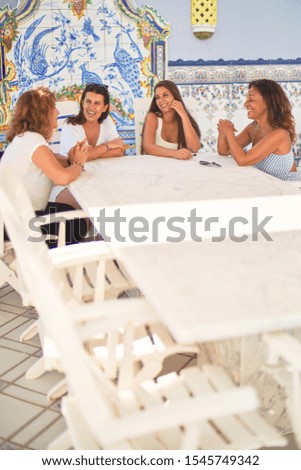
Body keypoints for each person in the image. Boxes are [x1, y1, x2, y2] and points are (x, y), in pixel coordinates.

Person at [1, 87, 88, 247]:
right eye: (53, 107)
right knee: (77, 223)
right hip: (19, 224)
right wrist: (78, 163)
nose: (57, 111)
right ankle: (57, 265)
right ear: (42, 113)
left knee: (70, 209)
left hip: (10, 219)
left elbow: (55, 160)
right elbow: (63, 178)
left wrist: (72, 159)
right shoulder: (34, 141)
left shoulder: (25, 138)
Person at [55, 83, 125, 208]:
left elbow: (119, 151)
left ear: (104, 107)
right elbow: (77, 157)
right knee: (88, 206)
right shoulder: (71, 126)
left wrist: (90, 153)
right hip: (71, 180)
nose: (91, 107)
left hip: (97, 177)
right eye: (88, 101)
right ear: (82, 103)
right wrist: (107, 146)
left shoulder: (106, 123)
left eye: (97, 103)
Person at [217, 79, 299, 181]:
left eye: (251, 100)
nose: (245, 104)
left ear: (268, 102)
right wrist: (223, 131)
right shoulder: (254, 128)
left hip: (290, 191)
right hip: (269, 188)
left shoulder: (280, 134)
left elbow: (243, 160)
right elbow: (224, 150)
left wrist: (229, 132)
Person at [141, 80, 201, 159]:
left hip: (178, 168)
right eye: (157, 97)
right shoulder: (152, 117)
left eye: (165, 95)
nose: (161, 100)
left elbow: (194, 149)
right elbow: (148, 147)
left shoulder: (183, 120)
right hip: (155, 167)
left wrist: (184, 116)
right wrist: (174, 153)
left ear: (175, 96)